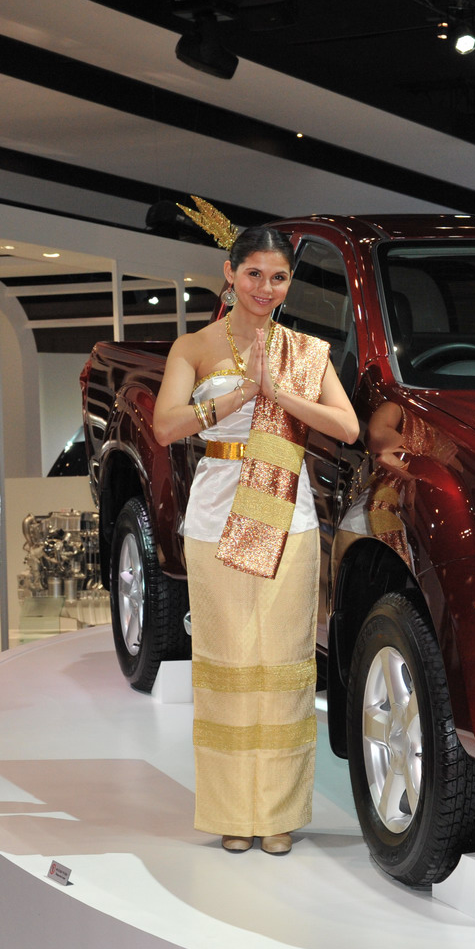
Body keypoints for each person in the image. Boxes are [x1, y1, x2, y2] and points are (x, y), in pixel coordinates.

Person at [154, 224, 359, 855]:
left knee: (283, 664)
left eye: (278, 278)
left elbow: (347, 427)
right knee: (226, 663)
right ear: (229, 273)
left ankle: (277, 813)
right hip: (214, 515)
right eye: (253, 275)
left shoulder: (304, 351)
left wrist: (281, 396)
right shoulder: (194, 347)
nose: (265, 288)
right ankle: (230, 812)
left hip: (287, 519)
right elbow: (165, 427)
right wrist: (241, 394)